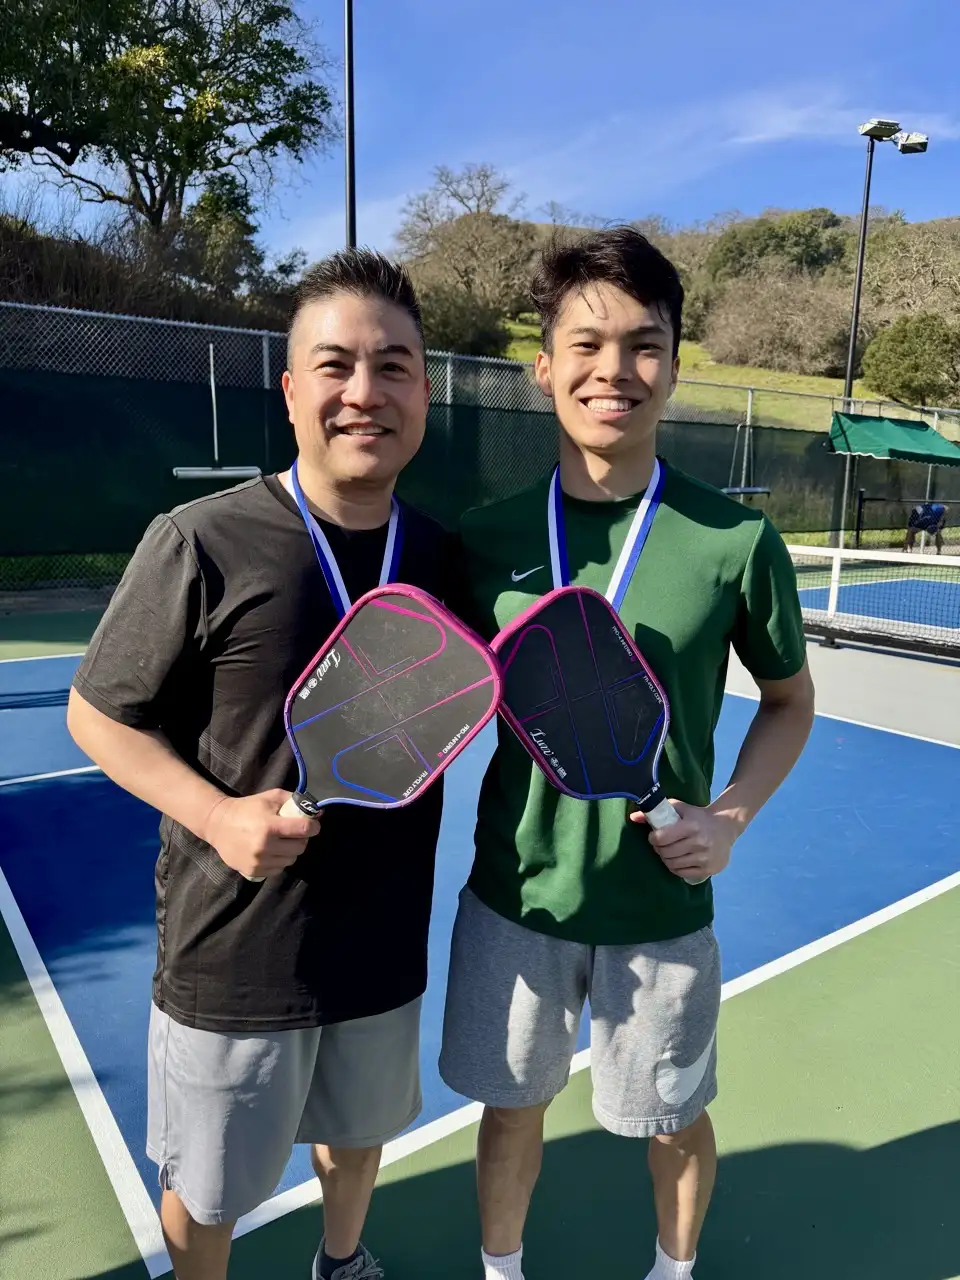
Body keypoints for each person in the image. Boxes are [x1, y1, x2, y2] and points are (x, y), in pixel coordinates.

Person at [438, 227, 816, 1280]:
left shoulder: (735, 543)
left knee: (674, 1119)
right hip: (519, 896)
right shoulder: (486, 536)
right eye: (589, 344)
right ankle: (501, 1271)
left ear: (677, 362)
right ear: (544, 365)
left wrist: (730, 816)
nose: (617, 371)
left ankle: (672, 1269)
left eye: (645, 345)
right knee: (511, 1111)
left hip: (662, 908)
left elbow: (788, 701)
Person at [67, 248, 452, 1280]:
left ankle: (343, 1258)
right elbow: (97, 715)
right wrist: (221, 816)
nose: (364, 392)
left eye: (394, 366)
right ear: (290, 390)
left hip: (383, 936)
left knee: (357, 1134)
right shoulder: (201, 539)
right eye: (335, 365)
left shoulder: (446, 556)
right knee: (212, 1183)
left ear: (424, 389)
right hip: (234, 953)